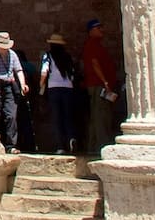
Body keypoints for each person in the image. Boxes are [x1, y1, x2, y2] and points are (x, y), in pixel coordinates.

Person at [79, 19, 121, 152]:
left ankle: (94, 146)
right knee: (101, 117)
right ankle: (103, 146)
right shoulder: (92, 45)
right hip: (98, 85)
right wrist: (105, 82)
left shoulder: (97, 45)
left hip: (99, 84)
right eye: (98, 28)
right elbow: (95, 64)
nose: (101, 30)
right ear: (91, 31)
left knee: (97, 116)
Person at [39, 34, 82, 154]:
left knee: (57, 117)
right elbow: (72, 74)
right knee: (68, 116)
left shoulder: (48, 56)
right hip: (68, 88)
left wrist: (41, 85)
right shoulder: (67, 57)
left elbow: (44, 72)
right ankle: (71, 138)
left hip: (54, 88)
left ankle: (60, 146)